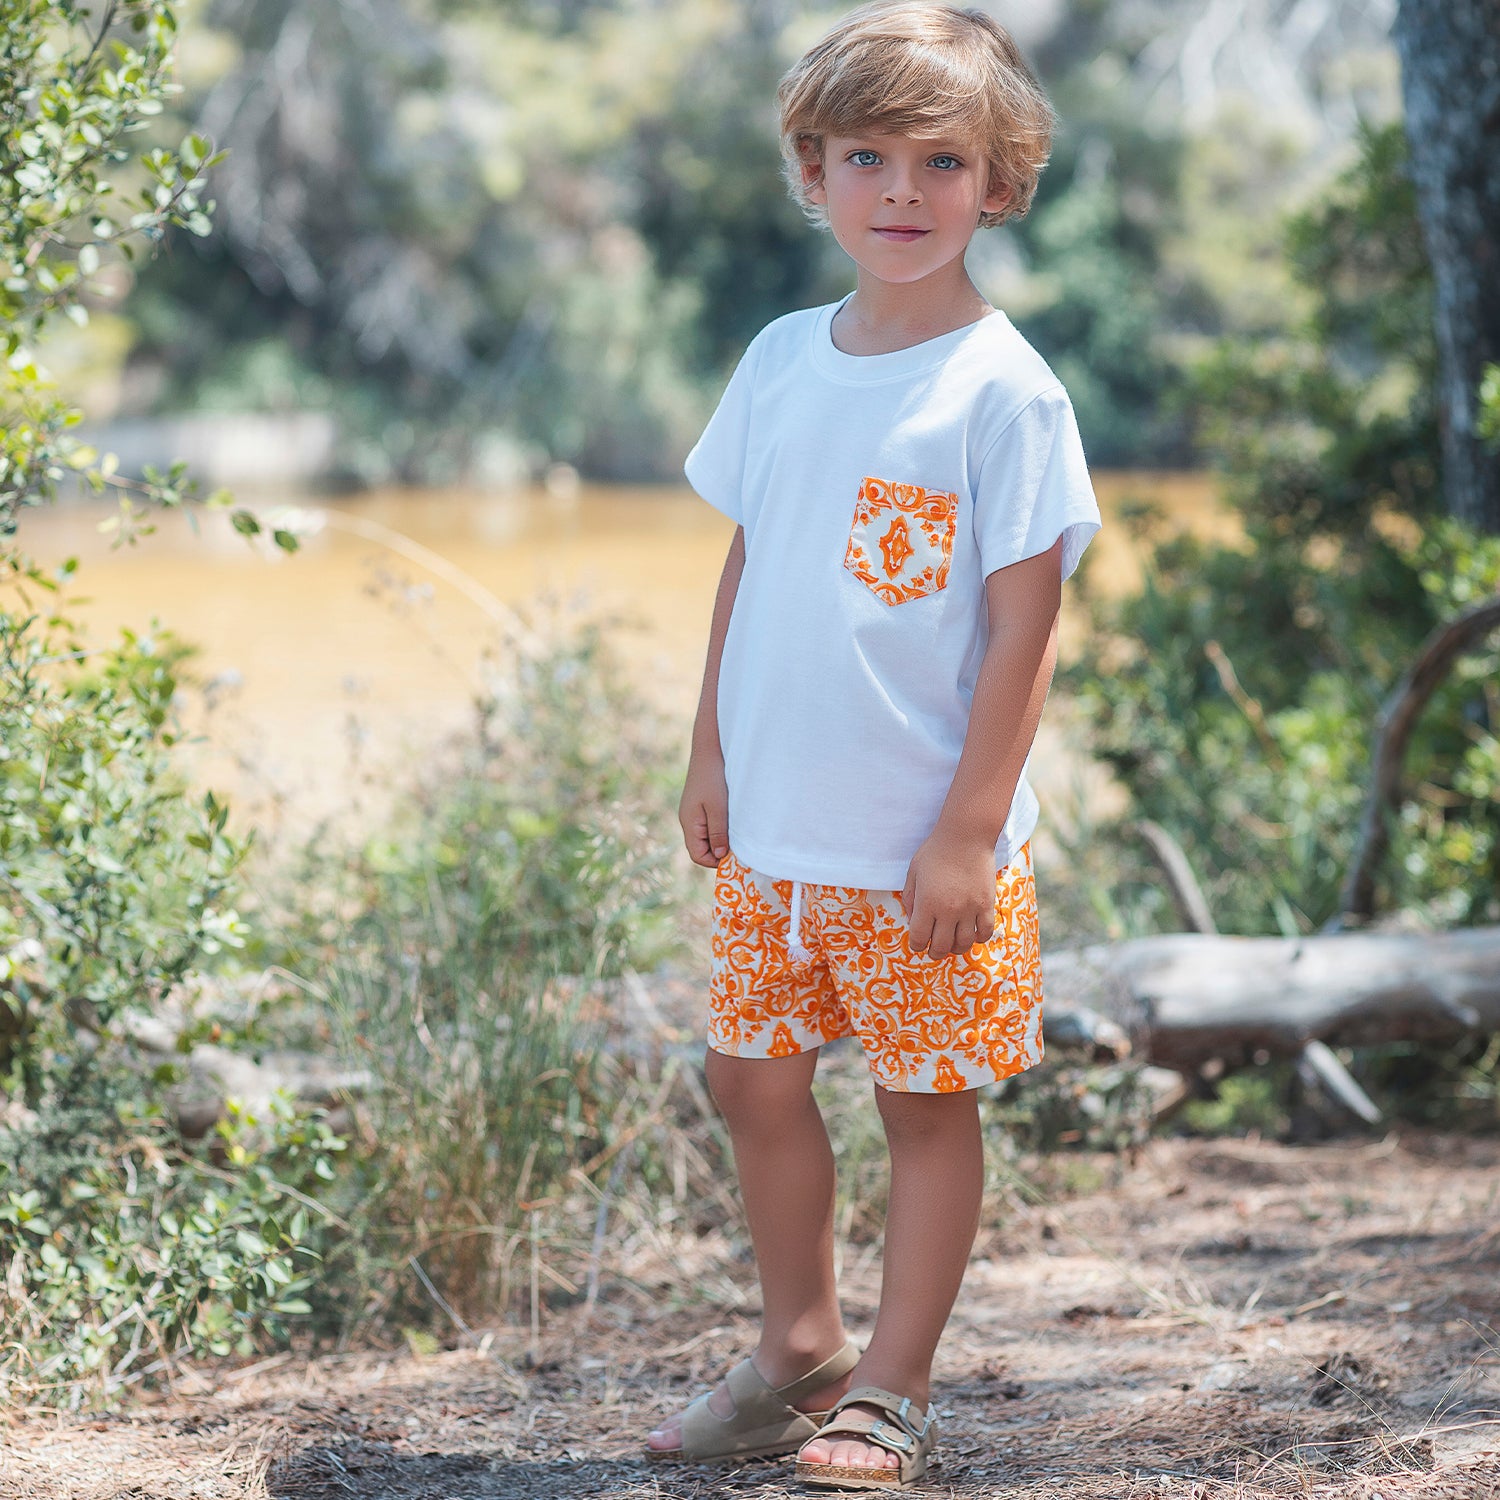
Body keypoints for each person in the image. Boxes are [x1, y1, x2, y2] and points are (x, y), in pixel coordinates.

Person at [645, 2, 1101, 1489]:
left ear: (999, 180)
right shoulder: (782, 360)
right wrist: (708, 748)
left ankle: (892, 1389)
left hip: (921, 846)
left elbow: (1028, 626)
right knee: (750, 1079)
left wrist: (969, 827)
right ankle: (797, 1345)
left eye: (942, 160)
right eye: (866, 157)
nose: (901, 192)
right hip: (774, 827)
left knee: (922, 1104)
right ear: (813, 170)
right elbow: (750, 564)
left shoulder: (1005, 391)